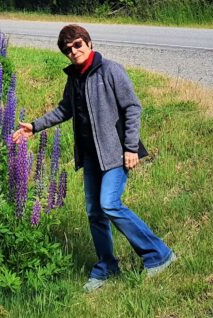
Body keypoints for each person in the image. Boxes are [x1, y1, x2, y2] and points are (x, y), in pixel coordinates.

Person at [12, 24, 176, 292]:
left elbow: (132, 107)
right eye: (67, 49)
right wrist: (34, 125)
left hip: (115, 154)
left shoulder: (111, 70)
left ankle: (159, 254)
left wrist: (131, 148)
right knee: (95, 213)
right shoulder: (74, 77)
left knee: (110, 204)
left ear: (88, 42)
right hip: (90, 157)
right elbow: (65, 109)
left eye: (77, 45)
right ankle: (107, 265)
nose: (73, 51)